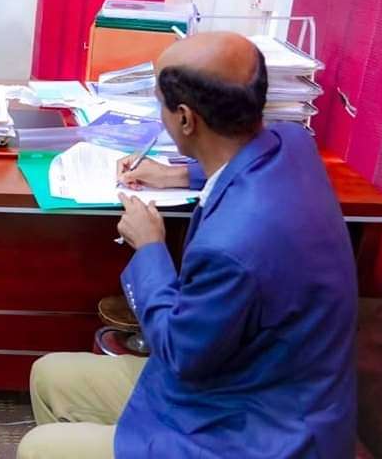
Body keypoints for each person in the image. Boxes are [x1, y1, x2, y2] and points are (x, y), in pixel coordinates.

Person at [18, 32, 357, 459]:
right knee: (48, 376)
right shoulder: (292, 142)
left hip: (259, 433)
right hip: (249, 380)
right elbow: (240, 163)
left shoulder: (231, 248)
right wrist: (177, 174)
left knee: (39, 449)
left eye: (159, 104)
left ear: (185, 119)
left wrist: (149, 248)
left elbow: (179, 353)